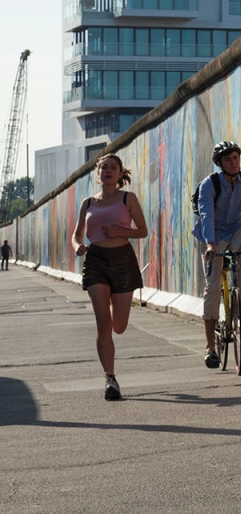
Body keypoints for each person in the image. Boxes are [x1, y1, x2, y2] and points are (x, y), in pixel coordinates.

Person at [72, 154, 149, 401]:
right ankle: (110, 379)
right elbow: (76, 235)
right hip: (95, 261)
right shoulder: (88, 203)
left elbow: (143, 230)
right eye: (104, 167)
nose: (108, 171)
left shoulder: (128, 198)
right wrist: (77, 247)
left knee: (119, 326)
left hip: (123, 260)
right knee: (103, 324)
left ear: (119, 173)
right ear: (98, 173)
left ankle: (110, 371)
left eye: (113, 167)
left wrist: (120, 231)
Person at [194, 140, 241, 369]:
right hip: (212, 233)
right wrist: (211, 244)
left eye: (235, 158)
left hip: (236, 228)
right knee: (212, 287)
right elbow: (206, 216)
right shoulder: (209, 184)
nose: (233, 162)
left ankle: (239, 302)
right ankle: (210, 347)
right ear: (220, 163)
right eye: (227, 159)